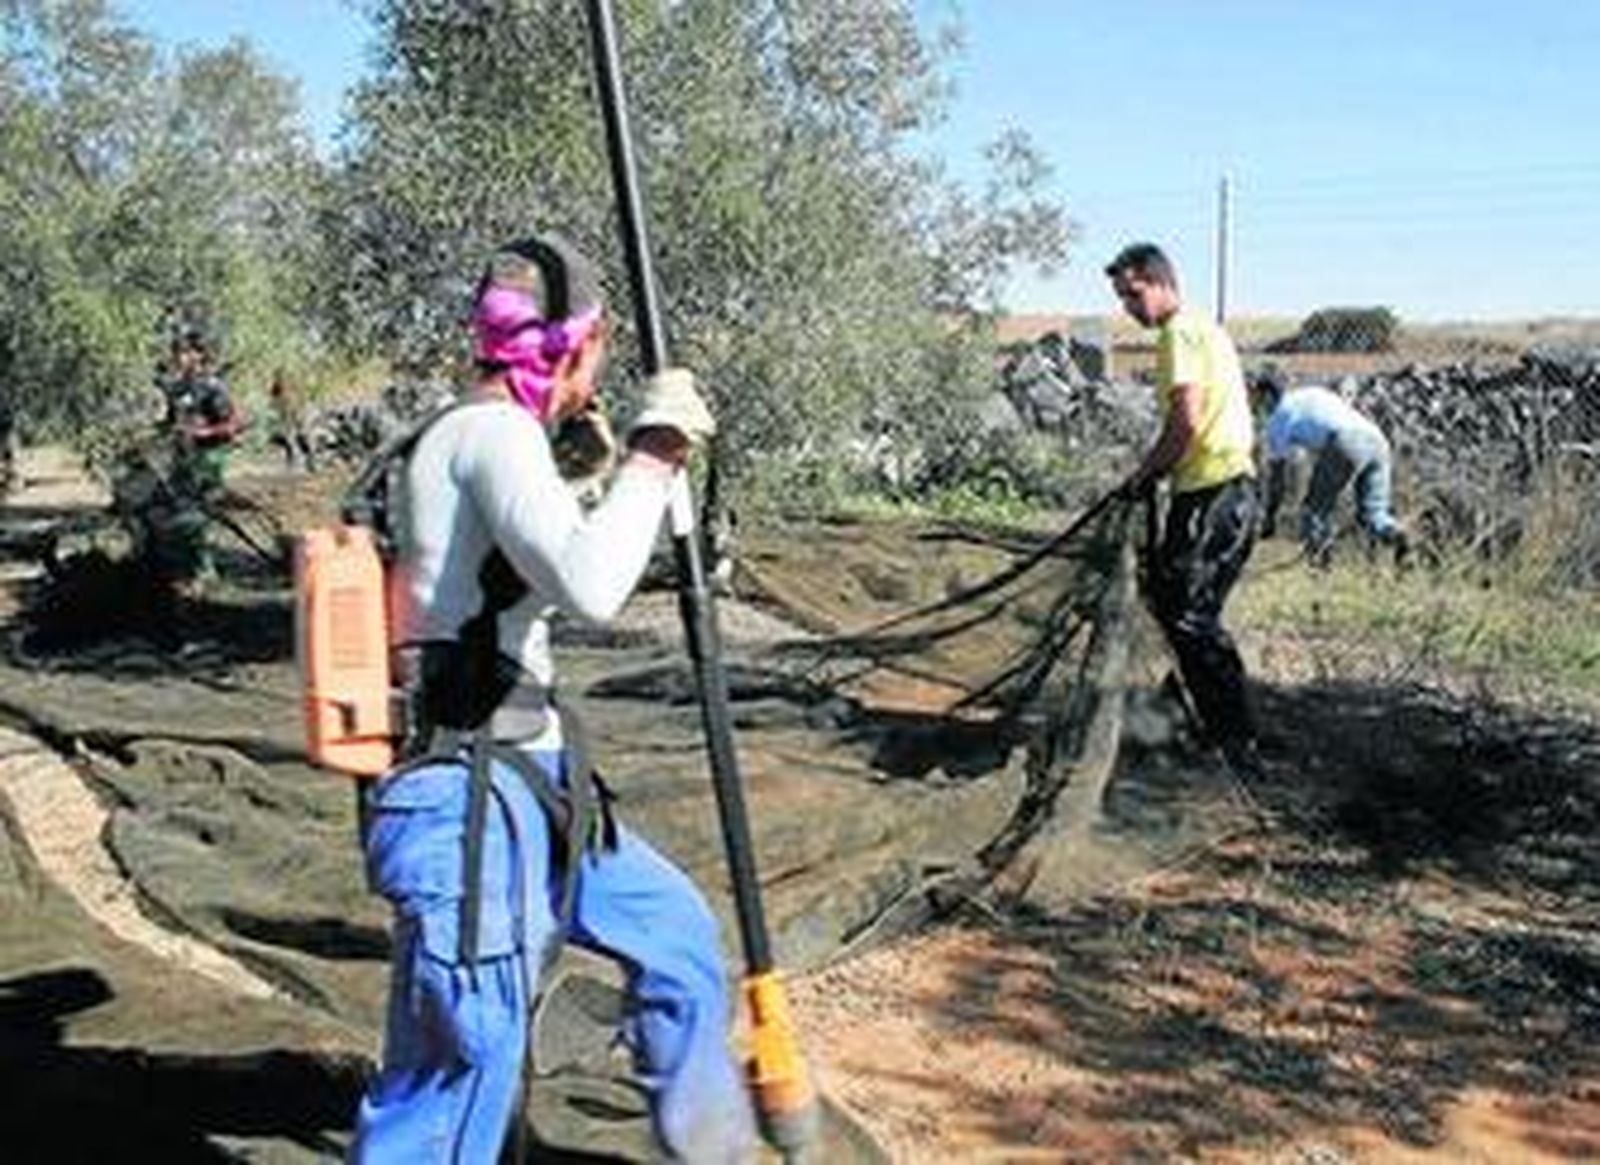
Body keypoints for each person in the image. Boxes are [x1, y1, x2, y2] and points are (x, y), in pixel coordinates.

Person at [350, 233, 755, 1163]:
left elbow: (521, 564)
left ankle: (714, 1145)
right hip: (463, 795)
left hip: (534, 777)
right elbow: (590, 583)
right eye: (598, 354)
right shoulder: (489, 434)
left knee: (678, 943)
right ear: (579, 343)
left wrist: (622, 478)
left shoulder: (496, 436)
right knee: (467, 1050)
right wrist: (653, 458)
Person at [1104, 242, 1261, 772]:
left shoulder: (1179, 332)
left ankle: (1235, 740)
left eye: (1133, 293)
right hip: (1212, 491)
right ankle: (1203, 719)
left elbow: (1186, 423)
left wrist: (1144, 476)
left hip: (1216, 493)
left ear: (1161, 282)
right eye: (1122, 298)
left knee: (1192, 618)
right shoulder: (1202, 328)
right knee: (1178, 606)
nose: (1128, 306)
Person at [1250, 367, 1409, 567]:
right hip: (1378, 441)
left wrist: (1270, 517)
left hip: (1346, 441)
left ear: (1266, 396)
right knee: (1373, 514)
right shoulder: (1311, 392)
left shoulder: (1279, 418)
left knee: (1313, 510)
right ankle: (1401, 536)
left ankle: (1319, 567)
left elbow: (1277, 478)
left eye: (1255, 397)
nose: (1254, 404)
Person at [268, 369, 317, 471]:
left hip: (295, 415)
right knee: (289, 438)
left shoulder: (293, 392)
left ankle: (309, 460)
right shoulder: (278, 391)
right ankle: (296, 461)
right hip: (289, 416)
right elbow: (273, 402)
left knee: (301, 437)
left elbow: (297, 404)